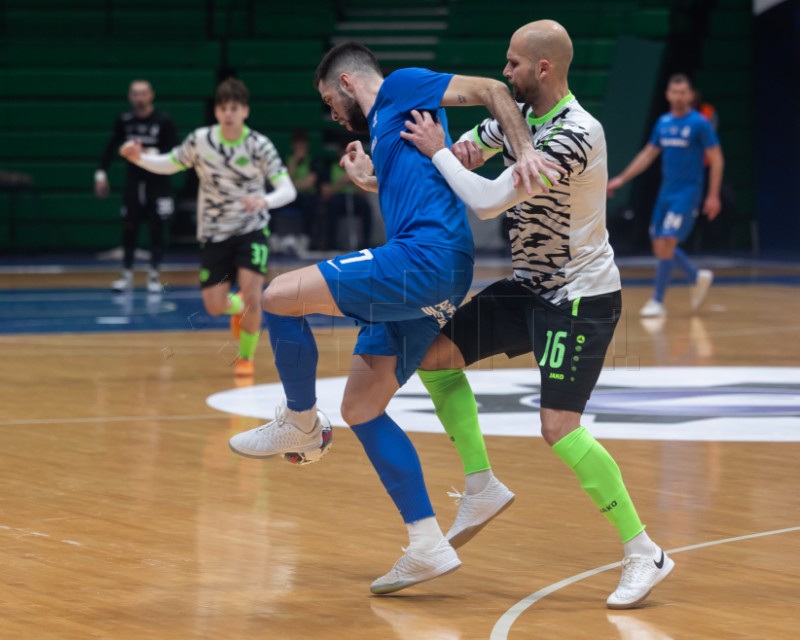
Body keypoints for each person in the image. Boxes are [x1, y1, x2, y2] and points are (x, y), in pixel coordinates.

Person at [227, 41, 561, 594]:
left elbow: (492, 90)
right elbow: (420, 186)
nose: (331, 113)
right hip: (434, 271)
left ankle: (301, 422)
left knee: (278, 295)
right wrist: (370, 176)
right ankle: (426, 543)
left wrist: (522, 149)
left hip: (423, 259)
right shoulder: (387, 128)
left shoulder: (402, 87)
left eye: (329, 100)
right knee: (361, 406)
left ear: (348, 83)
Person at [400, 20, 674, 609]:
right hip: (530, 287)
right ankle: (481, 486)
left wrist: (438, 152)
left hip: (581, 296)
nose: (504, 74)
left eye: (513, 64)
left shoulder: (576, 133)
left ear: (543, 69)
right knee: (434, 356)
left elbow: (487, 199)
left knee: (557, 427)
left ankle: (643, 550)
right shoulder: (514, 120)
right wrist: (380, 173)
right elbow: (457, 159)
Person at [120, 78, 297, 377]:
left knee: (253, 294)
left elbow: (287, 190)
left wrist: (265, 201)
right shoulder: (201, 140)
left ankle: (245, 357)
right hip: (213, 232)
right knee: (214, 305)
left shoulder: (258, 145)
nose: (229, 113)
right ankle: (235, 308)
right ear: (216, 112)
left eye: (235, 108)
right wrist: (139, 158)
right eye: (224, 108)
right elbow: (169, 163)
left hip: (251, 228)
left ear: (245, 111)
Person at [607, 73, 724, 318]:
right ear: (668, 94)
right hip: (666, 193)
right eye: (675, 91)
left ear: (690, 96)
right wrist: (621, 179)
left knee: (667, 240)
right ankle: (695, 276)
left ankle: (657, 300)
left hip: (688, 192)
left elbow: (716, 158)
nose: (679, 96)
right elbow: (648, 154)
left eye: (683, 92)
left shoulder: (699, 124)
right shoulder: (663, 123)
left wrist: (713, 195)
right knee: (659, 244)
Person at [95, 79, 180, 293]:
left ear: (151, 95)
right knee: (129, 226)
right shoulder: (124, 120)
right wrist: (100, 174)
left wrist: (147, 155)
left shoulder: (163, 121)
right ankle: (126, 274)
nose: (140, 98)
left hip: (158, 183)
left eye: (144, 93)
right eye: (135, 94)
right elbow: (110, 148)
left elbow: (176, 152)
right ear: (130, 97)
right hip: (133, 182)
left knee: (156, 226)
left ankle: (154, 275)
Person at [269, 129, 320, 255]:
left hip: (304, 197)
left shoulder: (312, 162)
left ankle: (304, 239)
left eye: (303, 145)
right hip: (287, 195)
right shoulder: (285, 160)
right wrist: (294, 162)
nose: (300, 148)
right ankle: (273, 238)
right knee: (272, 202)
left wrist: (292, 183)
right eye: (298, 145)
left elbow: (308, 184)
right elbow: (282, 182)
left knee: (311, 204)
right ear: (293, 145)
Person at [320, 137, 373, 251]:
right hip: (337, 197)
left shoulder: (358, 167)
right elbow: (325, 194)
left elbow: (365, 193)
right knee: (332, 206)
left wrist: (355, 181)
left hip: (354, 196)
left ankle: (365, 244)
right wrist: (341, 182)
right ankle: (331, 244)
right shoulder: (331, 167)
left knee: (366, 207)